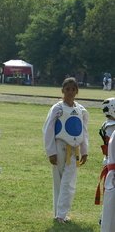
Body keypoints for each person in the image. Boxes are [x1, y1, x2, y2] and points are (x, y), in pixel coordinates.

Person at [42, 77, 89, 223]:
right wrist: (51, 152)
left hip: (73, 150)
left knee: (68, 182)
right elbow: (48, 129)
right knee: (59, 181)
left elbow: (84, 131)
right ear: (62, 90)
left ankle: (61, 214)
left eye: (73, 89)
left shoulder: (80, 110)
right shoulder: (58, 108)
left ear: (77, 91)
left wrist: (85, 150)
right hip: (59, 146)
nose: (70, 92)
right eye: (67, 89)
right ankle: (59, 214)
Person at [95, 98, 115, 226]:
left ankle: (104, 217)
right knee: (110, 195)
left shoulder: (106, 124)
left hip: (108, 160)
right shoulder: (111, 127)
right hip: (111, 163)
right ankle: (105, 218)